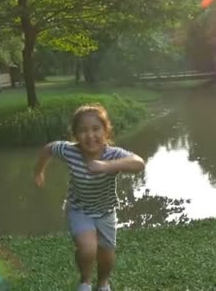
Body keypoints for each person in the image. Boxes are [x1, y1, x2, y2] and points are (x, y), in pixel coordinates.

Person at [34, 104, 145, 291]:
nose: (90, 136)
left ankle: (103, 283)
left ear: (106, 130)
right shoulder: (69, 151)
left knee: (107, 256)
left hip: (106, 212)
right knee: (88, 249)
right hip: (79, 209)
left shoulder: (113, 154)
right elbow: (48, 149)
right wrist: (38, 172)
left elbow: (139, 163)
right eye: (83, 130)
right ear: (75, 135)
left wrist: (106, 166)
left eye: (96, 129)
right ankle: (85, 281)